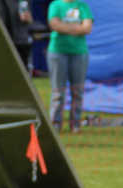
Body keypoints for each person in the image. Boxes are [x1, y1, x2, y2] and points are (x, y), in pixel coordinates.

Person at [46, 0, 93, 132]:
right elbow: (54, 25)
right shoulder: (55, 5)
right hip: (57, 52)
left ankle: (75, 124)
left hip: (79, 53)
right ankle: (55, 125)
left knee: (77, 91)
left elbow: (87, 28)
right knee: (58, 91)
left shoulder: (82, 6)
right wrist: (77, 28)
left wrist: (65, 27)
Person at [0, 0, 34, 71]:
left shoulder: (23, 2)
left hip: (22, 42)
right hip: (6, 42)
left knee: (23, 71)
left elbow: (30, 20)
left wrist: (28, 18)